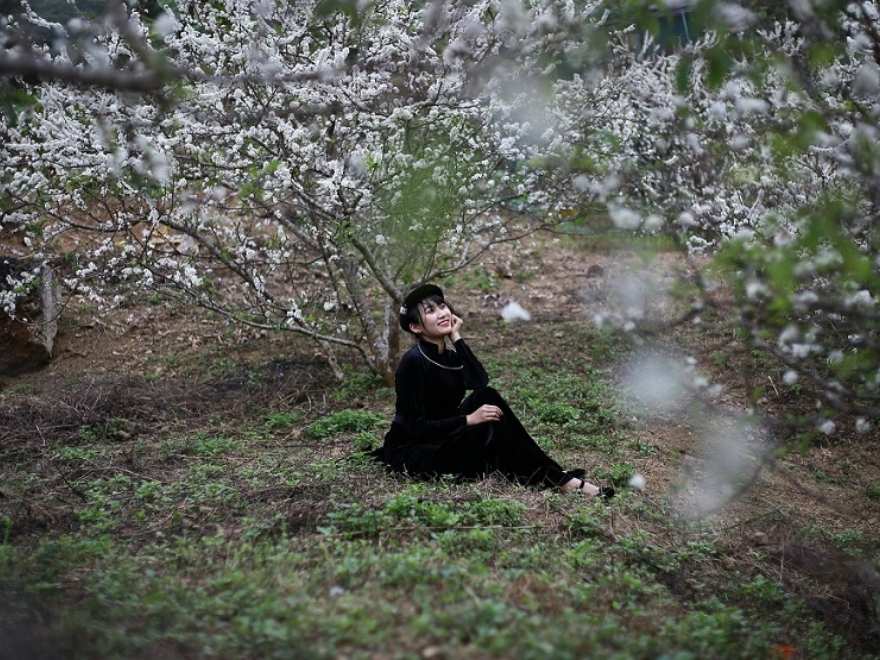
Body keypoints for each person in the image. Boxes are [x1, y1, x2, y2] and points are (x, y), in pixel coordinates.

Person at [371, 283, 612, 498]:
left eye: (442, 306)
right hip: (419, 453)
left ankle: (553, 474)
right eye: (430, 311)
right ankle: (561, 479)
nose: (442, 313)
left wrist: (456, 337)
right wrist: (468, 420)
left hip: (446, 438)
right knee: (497, 442)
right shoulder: (412, 362)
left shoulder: (450, 356)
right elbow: (413, 427)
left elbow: (479, 382)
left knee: (488, 397)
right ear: (415, 327)